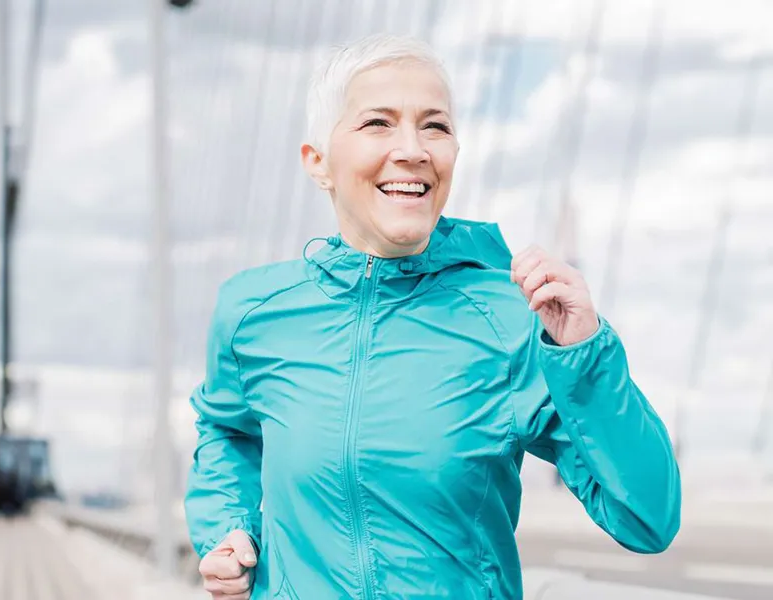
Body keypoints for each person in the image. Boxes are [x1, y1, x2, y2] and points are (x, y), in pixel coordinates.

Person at [184, 33, 681, 600]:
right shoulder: (253, 313)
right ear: (318, 162)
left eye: (435, 126)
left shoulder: (511, 321)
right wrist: (227, 527)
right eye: (378, 123)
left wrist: (585, 357)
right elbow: (227, 430)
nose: (413, 148)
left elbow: (648, 518)